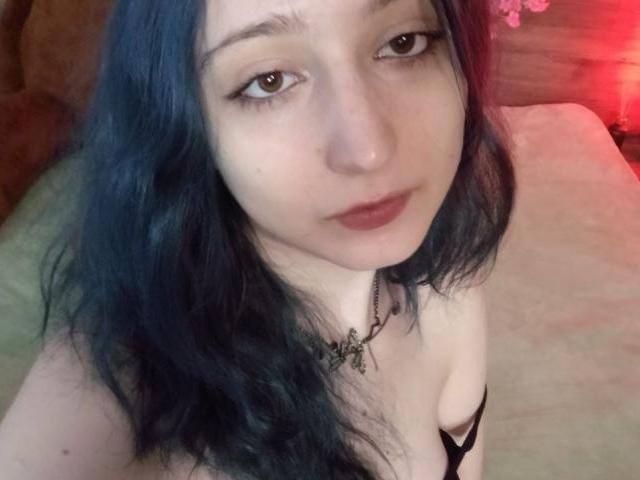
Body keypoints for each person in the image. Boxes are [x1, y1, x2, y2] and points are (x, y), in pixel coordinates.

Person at [0, 0, 516, 478]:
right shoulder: (114, 394)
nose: (368, 151)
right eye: (269, 81)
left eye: (403, 43)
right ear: (182, 122)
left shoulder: (449, 288)